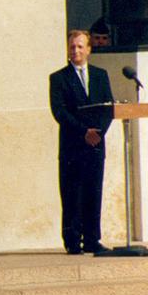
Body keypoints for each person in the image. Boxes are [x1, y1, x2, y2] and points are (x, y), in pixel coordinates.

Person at [49, 30, 114, 255]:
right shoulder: (58, 78)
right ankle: (73, 240)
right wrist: (83, 132)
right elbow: (60, 112)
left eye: (79, 46)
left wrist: (98, 133)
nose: (75, 51)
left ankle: (93, 239)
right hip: (73, 145)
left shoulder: (100, 75)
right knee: (72, 193)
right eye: (72, 47)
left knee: (93, 191)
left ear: (88, 49)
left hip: (95, 145)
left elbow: (108, 108)